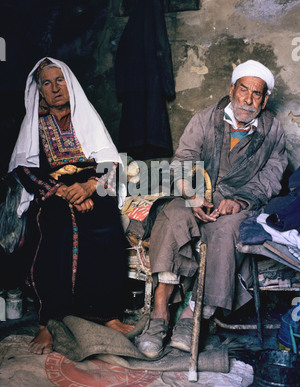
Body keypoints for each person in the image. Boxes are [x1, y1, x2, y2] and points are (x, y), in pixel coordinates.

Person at [137, 60, 288, 359]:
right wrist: (192, 196)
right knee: (172, 216)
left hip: (237, 204)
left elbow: (272, 175)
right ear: (231, 89)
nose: (248, 99)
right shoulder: (205, 119)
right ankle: (159, 314)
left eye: (256, 94)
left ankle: (193, 316)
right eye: (243, 89)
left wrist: (241, 201)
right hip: (197, 195)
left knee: (228, 230)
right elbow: (182, 162)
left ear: (265, 99)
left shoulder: (273, 131)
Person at [8, 57, 134, 355]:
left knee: (107, 225)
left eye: (60, 80)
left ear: (70, 84)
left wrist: (91, 187)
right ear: (40, 92)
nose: (55, 88)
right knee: (57, 227)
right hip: (54, 194)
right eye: (47, 84)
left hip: (92, 186)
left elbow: (112, 164)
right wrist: (63, 192)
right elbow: (24, 170)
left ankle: (107, 314)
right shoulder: (35, 126)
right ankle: (47, 321)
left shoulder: (86, 118)